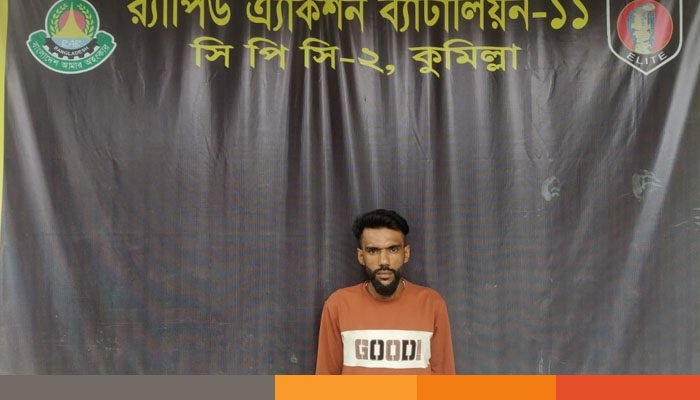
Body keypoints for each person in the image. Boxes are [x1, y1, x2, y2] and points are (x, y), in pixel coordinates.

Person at [315, 209, 455, 374]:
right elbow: (326, 378)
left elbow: (445, 379)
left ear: (406, 253)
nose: (383, 261)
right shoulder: (338, 305)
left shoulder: (432, 304)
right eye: (373, 251)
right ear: (361, 256)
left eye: (393, 249)